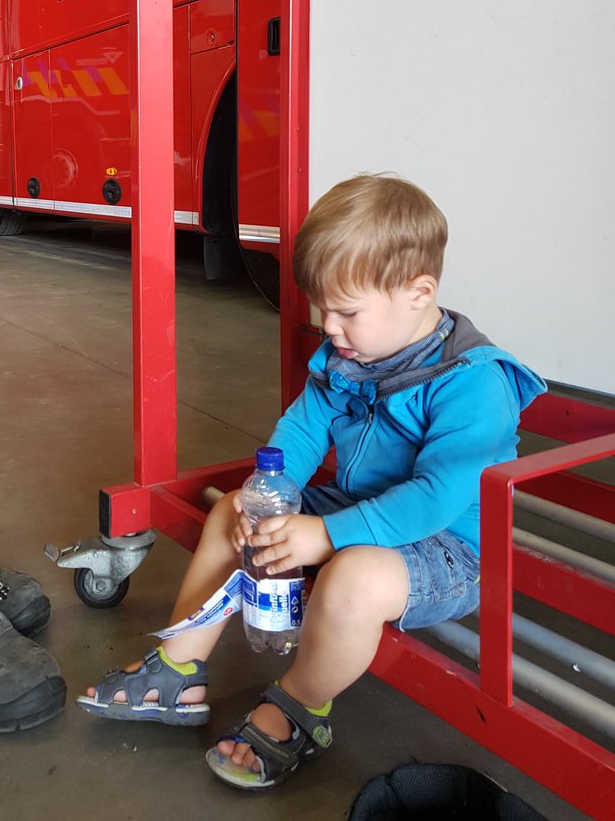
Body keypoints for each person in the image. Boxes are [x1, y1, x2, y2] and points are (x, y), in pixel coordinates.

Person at [77, 173, 545, 790]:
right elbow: (302, 430)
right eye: (325, 309)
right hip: (357, 507)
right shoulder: (350, 357)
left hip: (446, 547)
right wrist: (264, 497)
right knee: (231, 512)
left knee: (353, 578)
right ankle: (180, 666)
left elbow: (436, 498)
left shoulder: (473, 383)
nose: (329, 327)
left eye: (347, 312)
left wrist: (325, 536)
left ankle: (301, 706)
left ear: (418, 292)